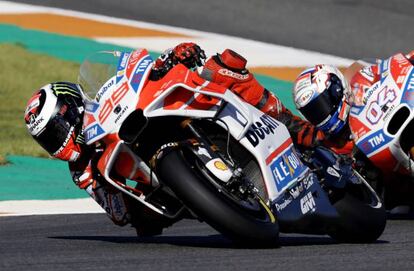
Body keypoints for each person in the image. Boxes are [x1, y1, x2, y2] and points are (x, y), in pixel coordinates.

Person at [25, 43, 322, 234]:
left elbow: (143, 71)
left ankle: (291, 125)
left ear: (71, 109)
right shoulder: (82, 171)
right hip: (161, 189)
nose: (56, 141)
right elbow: (117, 214)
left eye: (55, 130)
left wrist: (171, 57)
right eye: (47, 139)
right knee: (143, 223)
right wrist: (121, 202)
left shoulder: (98, 107)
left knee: (221, 68)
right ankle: (216, 197)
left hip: (160, 119)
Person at [292, 51, 414, 210]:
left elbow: (386, 69)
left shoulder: (360, 85)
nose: (321, 114)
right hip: (396, 188)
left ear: (336, 90)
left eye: (322, 105)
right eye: (314, 112)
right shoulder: (329, 144)